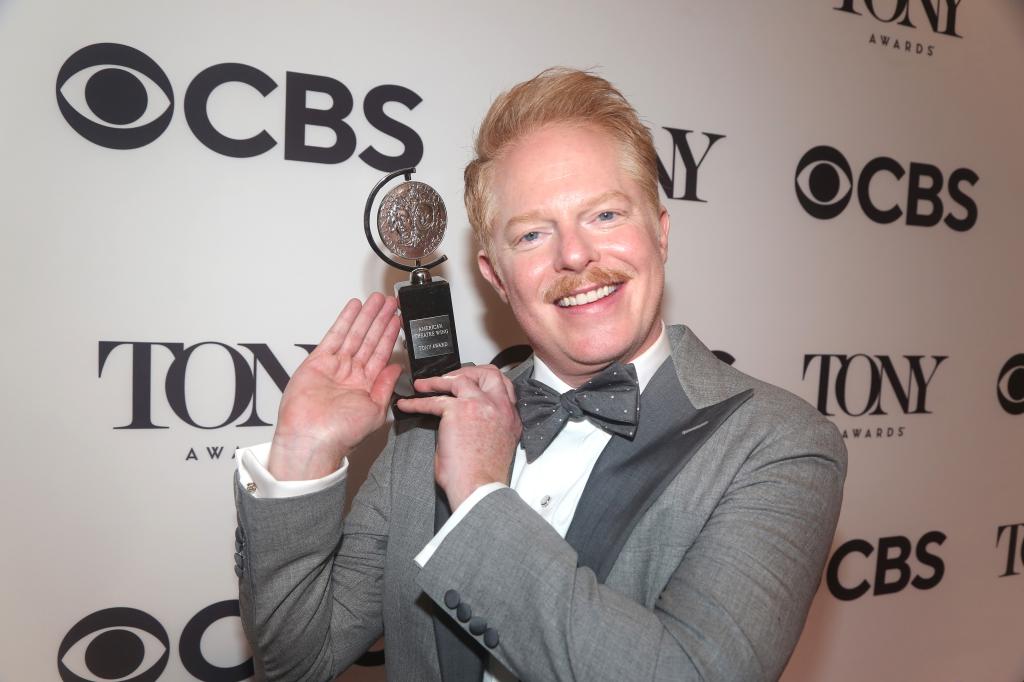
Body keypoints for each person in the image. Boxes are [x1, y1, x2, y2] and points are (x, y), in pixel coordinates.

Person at [233, 68, 847, 682]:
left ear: (660, 234)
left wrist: (477, 496)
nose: (575, 255)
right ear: (496, 277)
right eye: (531, 234)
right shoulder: (430, 422)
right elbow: (297, 662)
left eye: (605, 215)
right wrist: (303, 455)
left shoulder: (779, 443)